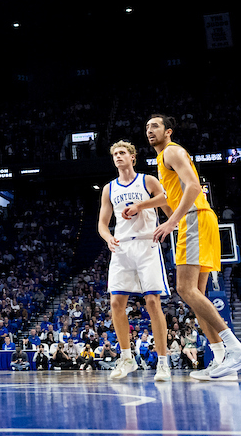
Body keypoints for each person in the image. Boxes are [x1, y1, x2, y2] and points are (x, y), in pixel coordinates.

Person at [148, 114, 241, 380]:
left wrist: (171, 222)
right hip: (199, 219)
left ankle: (236, 348)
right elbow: (169, 198)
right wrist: (142, 205)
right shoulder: (163, 160)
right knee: (196, 296)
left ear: (168, 131)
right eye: (147, 127)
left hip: (194, 218)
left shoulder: (171, 151)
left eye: (155, 126)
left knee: (184, 289)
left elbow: (194, 186)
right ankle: (221, 359)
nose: (150, 130)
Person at [98, 140, 172, 383]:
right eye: (115, 154)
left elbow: (166, 199)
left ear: (132, 157)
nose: (118, 156)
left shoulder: (147, 180)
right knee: (116, 303)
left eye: (122, 153)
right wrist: (108, 237)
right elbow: (102, 224)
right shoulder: (109, 188)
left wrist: (141, 205)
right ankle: (127, 358)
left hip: (146, 244)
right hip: (121, 247)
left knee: (152, 302)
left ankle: (163, 363)